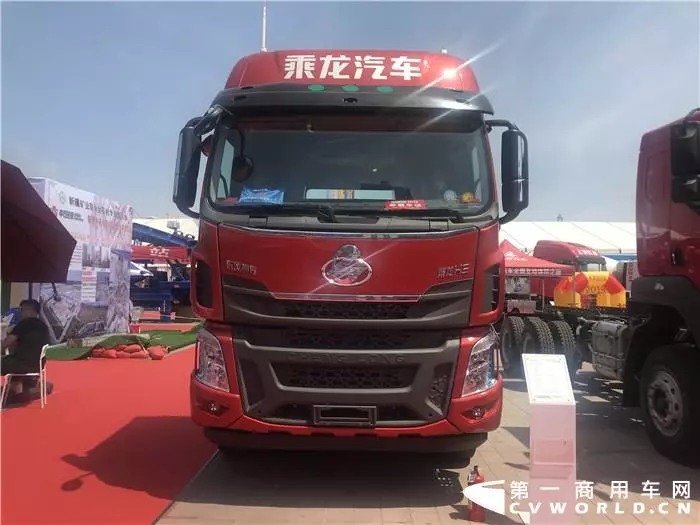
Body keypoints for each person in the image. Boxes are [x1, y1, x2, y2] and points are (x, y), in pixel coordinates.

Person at [1, 299, 50, 398]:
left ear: (29, 310)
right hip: (38, 365)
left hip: (22, 365)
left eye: (22, 310)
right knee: (11, 359)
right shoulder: (43, 326)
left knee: (6, 362)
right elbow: (30, 343)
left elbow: (5, 344)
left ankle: (15, 388)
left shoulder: (23, 324)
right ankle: (18, 389)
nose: (21, 313)